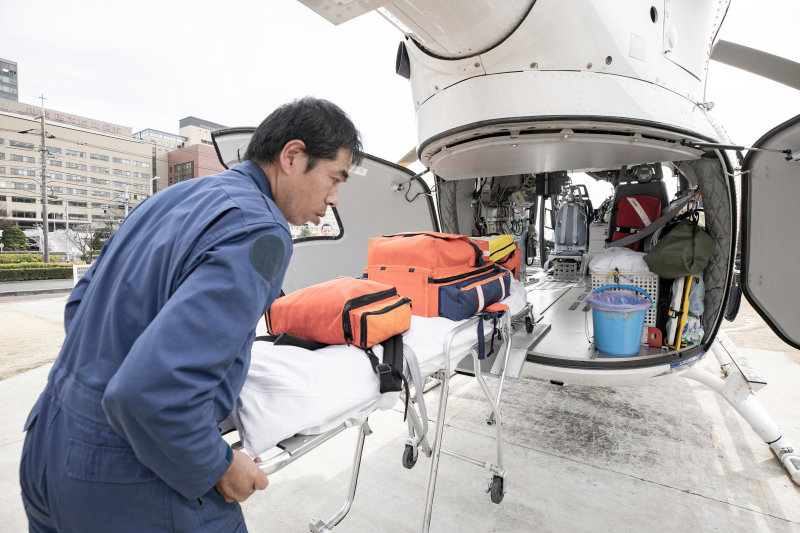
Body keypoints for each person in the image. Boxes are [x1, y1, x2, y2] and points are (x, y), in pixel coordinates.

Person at [19, 97, 362, 532]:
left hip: (49, 445)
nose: (333, 198)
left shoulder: (171, 199)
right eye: (335, 178)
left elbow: (80, 309)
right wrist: (217, 465)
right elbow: (150, 392)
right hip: (124, 477)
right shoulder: (261, 229)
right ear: (292, 156)